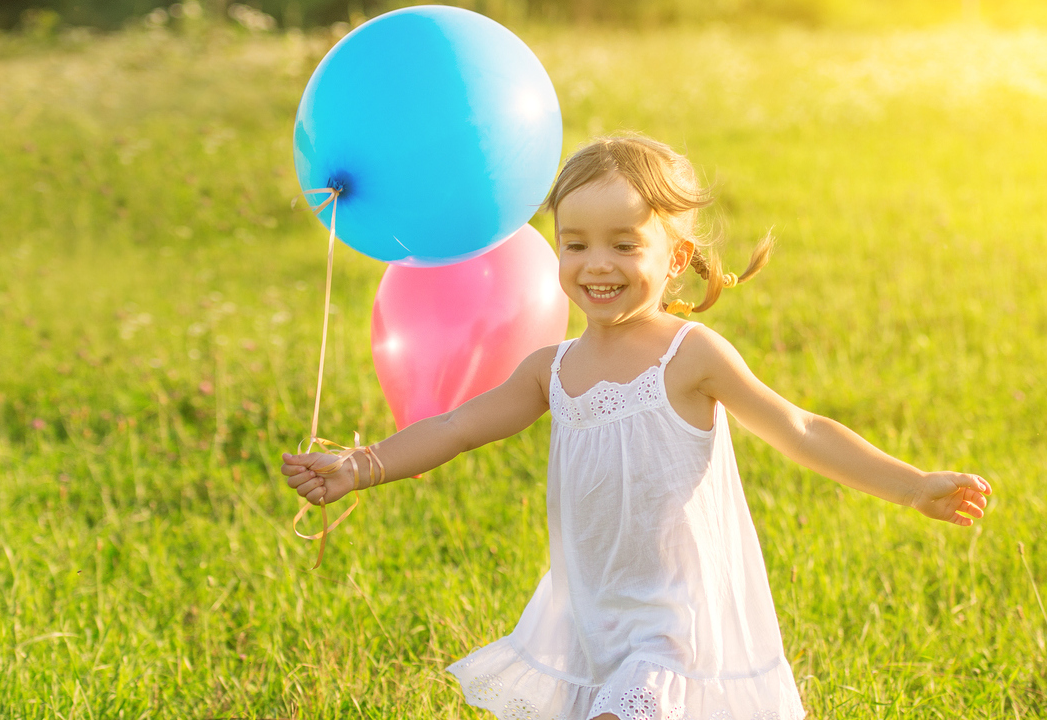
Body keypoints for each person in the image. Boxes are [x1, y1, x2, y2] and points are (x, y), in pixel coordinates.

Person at [281, 134, 993, 720]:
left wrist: (911, 486)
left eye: (625, 245)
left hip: (674, 622)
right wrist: (363, 463)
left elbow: (800, 428)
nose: (597, 265)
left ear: (675, 258)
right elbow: (460, 425)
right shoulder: (550, 370)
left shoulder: (690, 357)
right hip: (592, 617)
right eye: (576, 244)